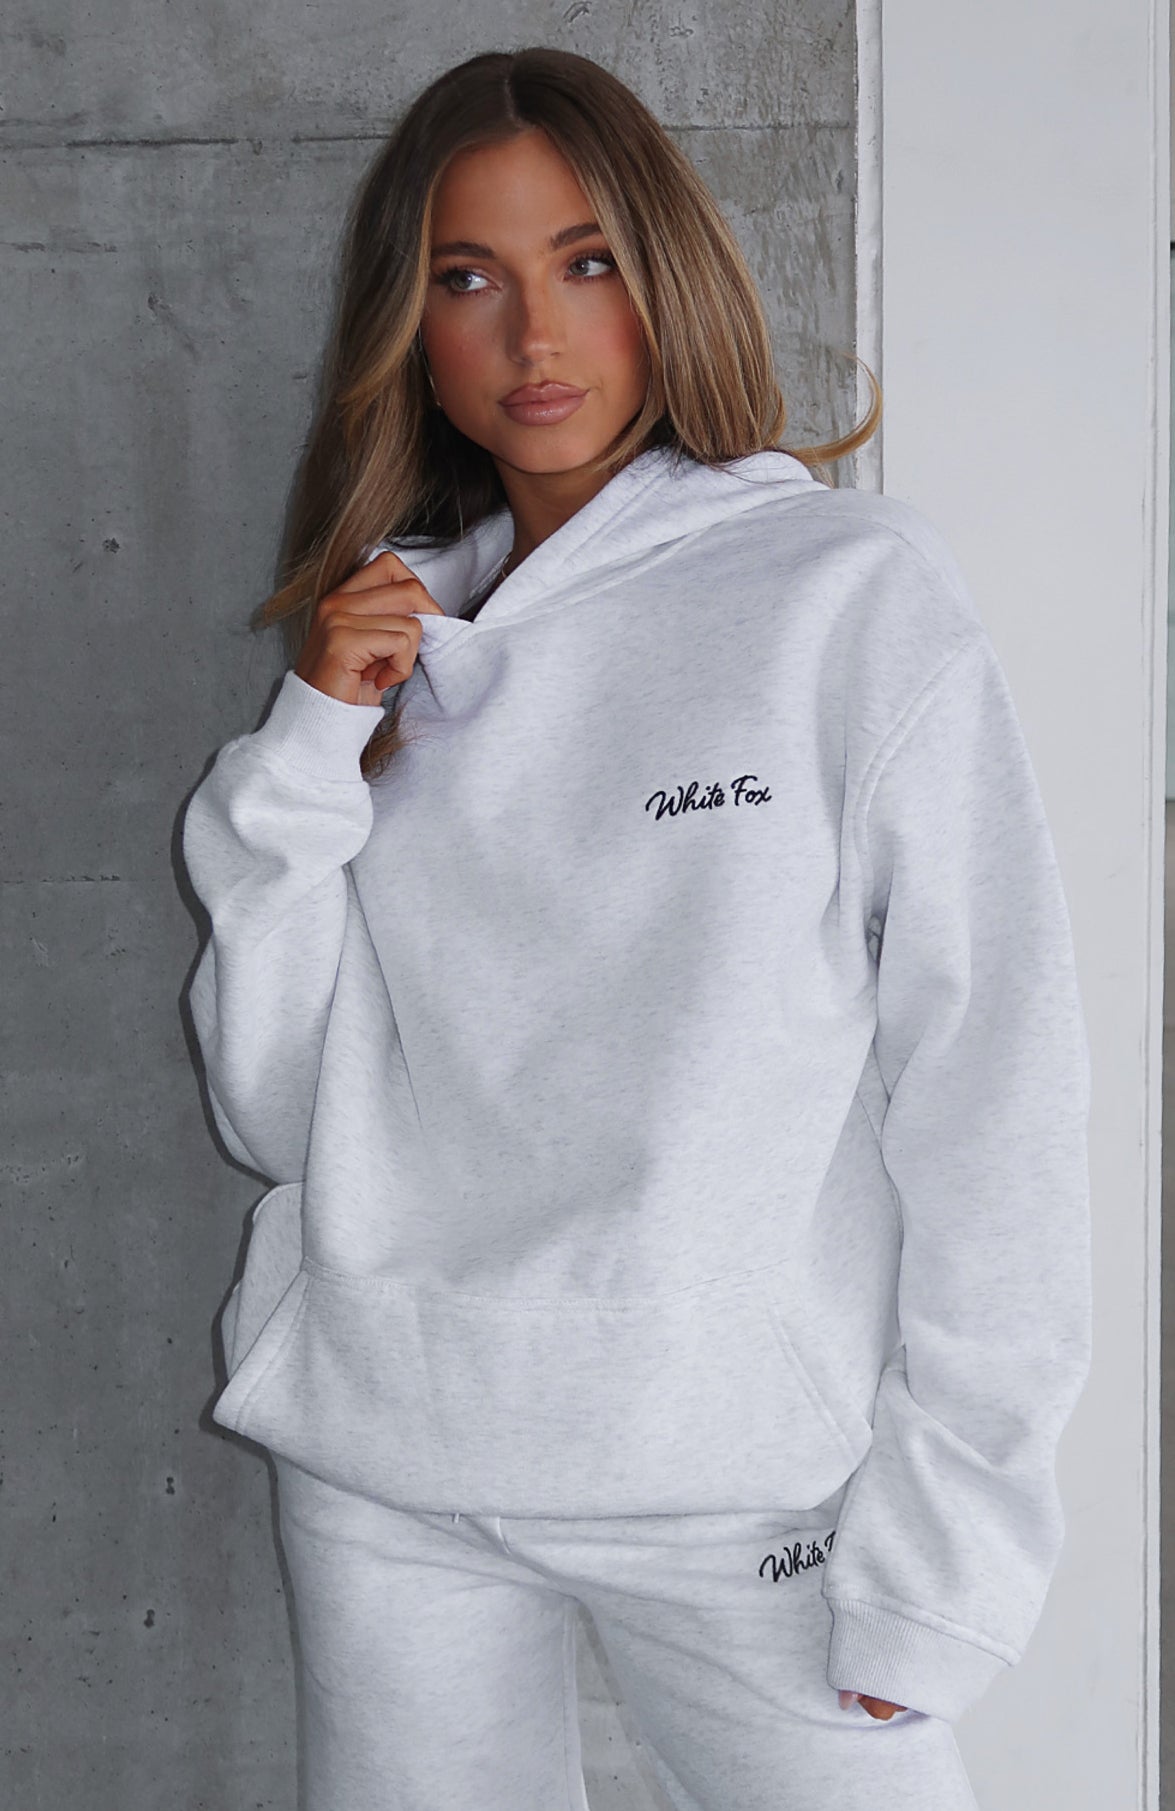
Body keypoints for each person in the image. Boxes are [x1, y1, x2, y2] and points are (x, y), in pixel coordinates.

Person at [180, 45, 1092, 1811]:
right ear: (409, 329)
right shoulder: (384, 661)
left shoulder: (846, 596)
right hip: (389, 1470)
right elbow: (279, 1118)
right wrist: (303, 755)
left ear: (667, 276)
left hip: (740, 1483)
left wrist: (954, 1545)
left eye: (586, 262)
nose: (537, 334)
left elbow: (995, 1084)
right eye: (469, 278)